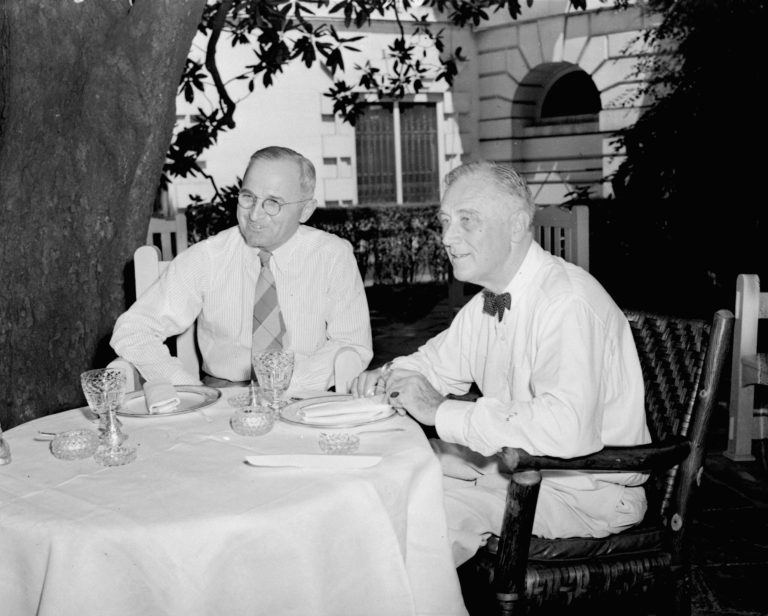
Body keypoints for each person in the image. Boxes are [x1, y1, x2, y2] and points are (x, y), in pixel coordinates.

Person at [351, 161, 651, 566]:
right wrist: (387, 378)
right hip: (511, 472)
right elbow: (435, 364)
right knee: (376, 476)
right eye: (444, 221)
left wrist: (441, 410)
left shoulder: (567, 302)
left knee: (403, 520)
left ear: (515, 226)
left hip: (579, 494)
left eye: (466, 221)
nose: (447, 237)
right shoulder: (489, 301)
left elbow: (566, 431)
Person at [111, 146, 373, 390]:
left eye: (273, 203)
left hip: (304, 395)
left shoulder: (332, 256)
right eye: (248, 197)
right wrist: (188, 389)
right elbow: (134, 330)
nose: (255, 215)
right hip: (222, 399)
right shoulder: (208, 257)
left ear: (305, 211)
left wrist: (283, 386)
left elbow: (353, 343)